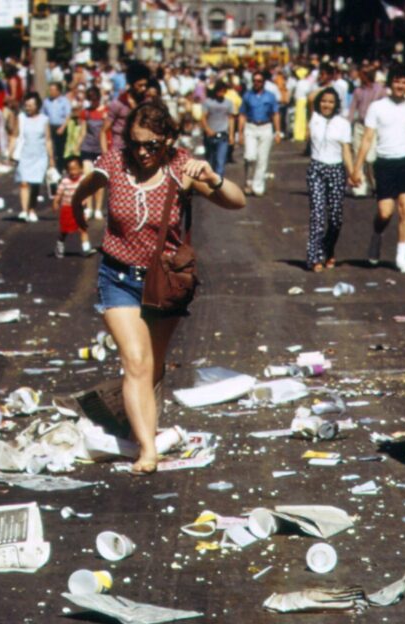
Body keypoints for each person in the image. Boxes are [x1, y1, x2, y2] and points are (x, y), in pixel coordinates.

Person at [69, 100, 246, 473]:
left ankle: (132, 419)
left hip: (164, 281)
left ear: (168, 139)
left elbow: (236, 201)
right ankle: (147, 448)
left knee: (151, 366)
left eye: (152, 144)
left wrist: (212, 177)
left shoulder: (181, 166)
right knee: (135, 360)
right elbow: (87, 183)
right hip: (117, 276)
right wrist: (75, 202)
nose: (144, 152)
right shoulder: (115, 162)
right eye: (136, 143)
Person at [351, 64, 405, 274]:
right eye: (396, 81)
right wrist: (356, 169)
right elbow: (368, 138)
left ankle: (401, 257)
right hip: (385, 163)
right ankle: (376, 236)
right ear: (390, 83)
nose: (400, 85)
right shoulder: (377, 107)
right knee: (385, 212)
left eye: (404, 82)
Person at [305, 88, 353, 272]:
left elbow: (346, 150)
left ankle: (328, 248)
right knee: (317, 214)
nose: (327, 105)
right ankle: (315, 257)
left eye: (331, 102)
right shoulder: (314, 118)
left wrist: (353, 172)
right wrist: (325, 85)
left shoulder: (342, 123)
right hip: (316, 168)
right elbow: (310, 97)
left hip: (336, 170)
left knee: (335, 218)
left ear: (337, 104)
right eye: (324, 101)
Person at [236, 71, 282, 197]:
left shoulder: (270, 96)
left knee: (263, 158)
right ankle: (248, 180)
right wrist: (239, 133)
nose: (257, 83)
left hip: (266, 127)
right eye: (254, 81)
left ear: (263, 82)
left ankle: (258, 185)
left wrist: (278, 132)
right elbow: (242, 114)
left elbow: (275, 114)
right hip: (251, 127)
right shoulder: (247, 96)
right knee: (250, 156)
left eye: (259, 81)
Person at [11, 93, 53, 223]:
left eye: (31, 105)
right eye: (26, 105)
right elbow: (14, 135)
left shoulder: (44, 119)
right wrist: (10, 152)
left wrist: (51, 158)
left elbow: (47, 140)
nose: (28, 107)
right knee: (24, 182)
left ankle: (32, 209)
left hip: (39, 156)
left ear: (37, 106)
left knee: (35, 184)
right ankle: (24, 210)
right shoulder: (21, 118)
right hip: (24, 155)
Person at [349, 62, 385, 197]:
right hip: (360, 126)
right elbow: (352, 109)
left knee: (370, 158)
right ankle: (360, 185)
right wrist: (348, 125)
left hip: (374, 128)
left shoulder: (380, 90)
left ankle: (375, 184)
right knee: (358, 156)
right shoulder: (358, 90)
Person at [102, 61, 152, 154]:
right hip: (119, 150)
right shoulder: (118, 104)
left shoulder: (147, 103)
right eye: (140, 85)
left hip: (140, 151)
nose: (144, 88)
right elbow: (104, 131)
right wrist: (105, 154)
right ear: (132, 84)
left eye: (145, 85)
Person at [77, 86, 108, 220]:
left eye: (95, 99)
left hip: (100, 148)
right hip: (87, 147)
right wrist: (77, 145)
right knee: (88, 178)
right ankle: (89, 207)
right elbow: (83, 131)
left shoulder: (106, 112)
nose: (93, 102)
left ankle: (98, 208)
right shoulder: (85, 113)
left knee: (99, 180)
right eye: (91, 99)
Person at [52, 157, 93, 258]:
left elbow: (87, 193)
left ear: (81, 169)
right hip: (67, 208)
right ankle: (60, 243)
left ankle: (86, 248)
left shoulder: (83, 180)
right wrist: (55, 202)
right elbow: (59, 194)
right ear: (67, 170)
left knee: (83, 228)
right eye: (70, 169)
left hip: (79, 209)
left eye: (75, 169)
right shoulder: (65, 181)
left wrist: (87, 206)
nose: (73, 172)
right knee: (64, 231)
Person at [200, 80, 234, 178]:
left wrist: (231, 135)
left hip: (223, 134)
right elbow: (203, 118)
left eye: (223, 91)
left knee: (220, 162)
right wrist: (207, 129)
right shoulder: (208, 102)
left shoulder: (228, 103)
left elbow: (231, 119)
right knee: (210, 161)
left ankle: (218, 186)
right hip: (210, 135)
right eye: (219, 91)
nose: (221, 93)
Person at [41, 82, 71, 172]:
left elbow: (68, 115)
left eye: (53, 90)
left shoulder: (64, 101)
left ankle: (61, 168)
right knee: (50, 148)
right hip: (50, 127)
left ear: (58, 91)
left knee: (60, 149)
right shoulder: (46, 102)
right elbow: (43, 115)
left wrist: (62, 127)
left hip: (60, 127)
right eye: (50, 90)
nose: (51, 92)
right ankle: (52, 167)